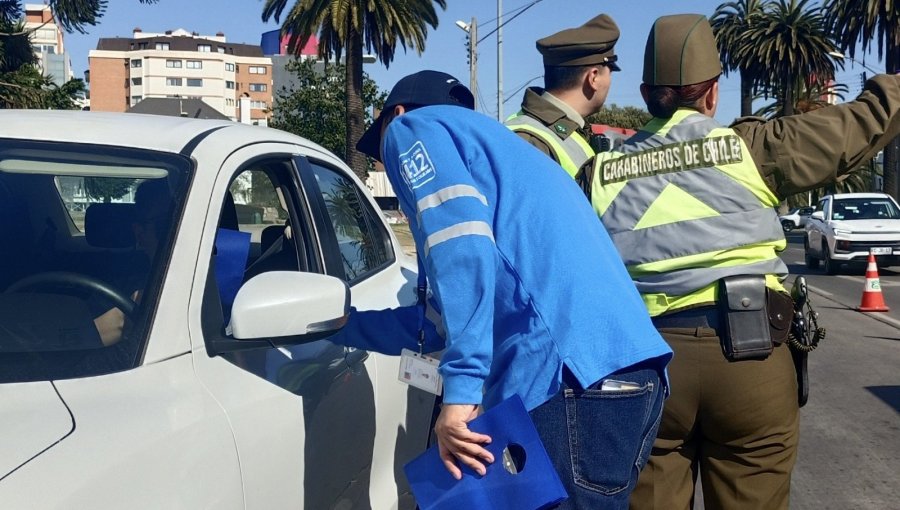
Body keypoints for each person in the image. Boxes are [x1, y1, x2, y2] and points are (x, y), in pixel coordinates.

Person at [579, 14, 900, 510]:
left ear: (645, 92)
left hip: (645, 367)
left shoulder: (597, 173)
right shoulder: (754, 150)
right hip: (751, 357)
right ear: (711, 94)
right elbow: (861, 123)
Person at [347, 70, 673, 509]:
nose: (389, 163)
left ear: (396, 112)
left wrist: (460, 396)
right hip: (626, 375)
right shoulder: (508, 162)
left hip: (571, 381)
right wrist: (340, 325)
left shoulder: (411, 129)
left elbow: (461, 246)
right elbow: (437, 323)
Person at [504, 13, 621, 177]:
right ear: (593, 77)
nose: (610, 81)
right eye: (610, 71)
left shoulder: (565, 133)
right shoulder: (530, 141)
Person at [93, 178, 171, 345]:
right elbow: (88, 336)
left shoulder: (217, 278)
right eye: (164, 224)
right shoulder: (120, 287)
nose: (178, 227)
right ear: (139, 232)